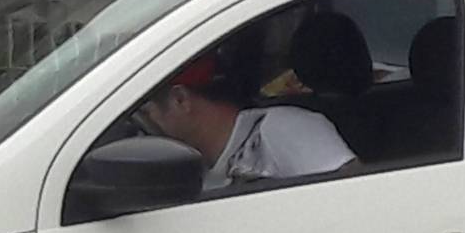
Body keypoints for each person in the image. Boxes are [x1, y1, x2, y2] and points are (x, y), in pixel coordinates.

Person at [139, 52, 356, 192]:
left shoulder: (281, 128)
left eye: (147, 113)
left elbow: (355, 196)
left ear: (180, 100)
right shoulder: (194, 172)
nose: (146, 127)